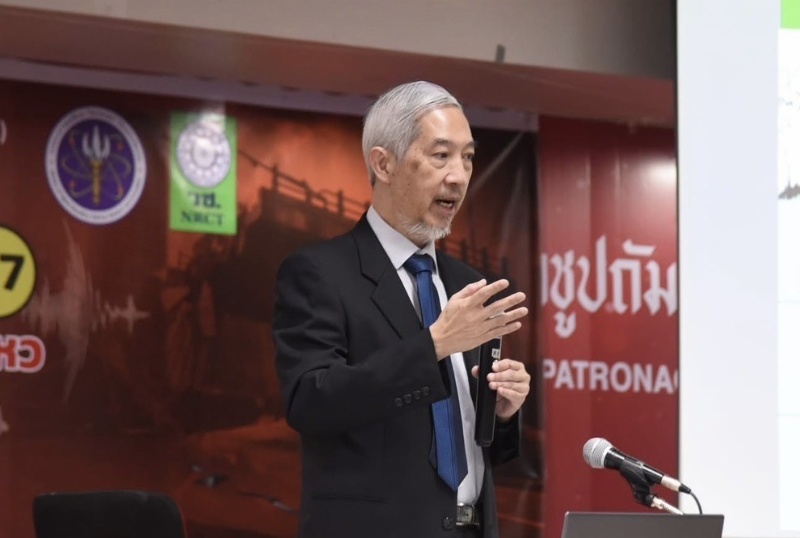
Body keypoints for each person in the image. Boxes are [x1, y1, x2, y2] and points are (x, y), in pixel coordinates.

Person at [272, 81, 531, 538]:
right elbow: (310, 401)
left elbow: (476, 446)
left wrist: (503, 412)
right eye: (441, 156)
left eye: (468, 157)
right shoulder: (319, 273)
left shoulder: (468, 285)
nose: (459, 176)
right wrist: (434, 345)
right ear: (383, 164)